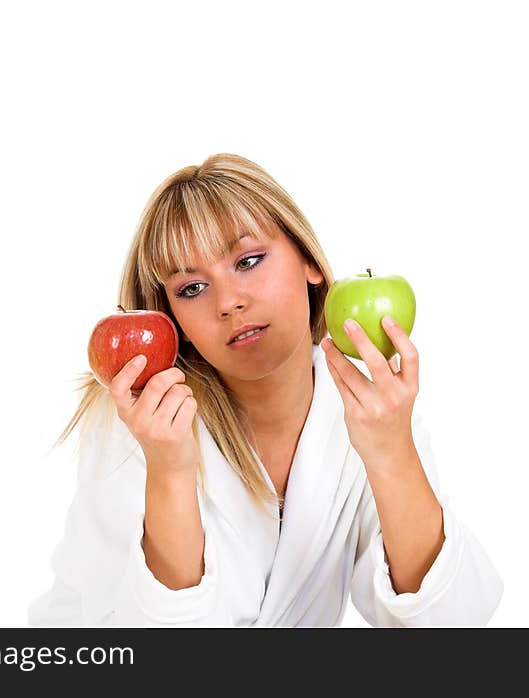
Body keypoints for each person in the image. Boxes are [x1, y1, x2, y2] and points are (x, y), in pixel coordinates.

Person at [28, 153, 504, 627]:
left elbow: (449, 622)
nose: (230, 302)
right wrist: (169, 469)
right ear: (174, 323)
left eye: (249, 261)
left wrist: (391, 450)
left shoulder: (370, 406)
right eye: (192, 289)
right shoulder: (139, 419)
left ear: (309, 262)